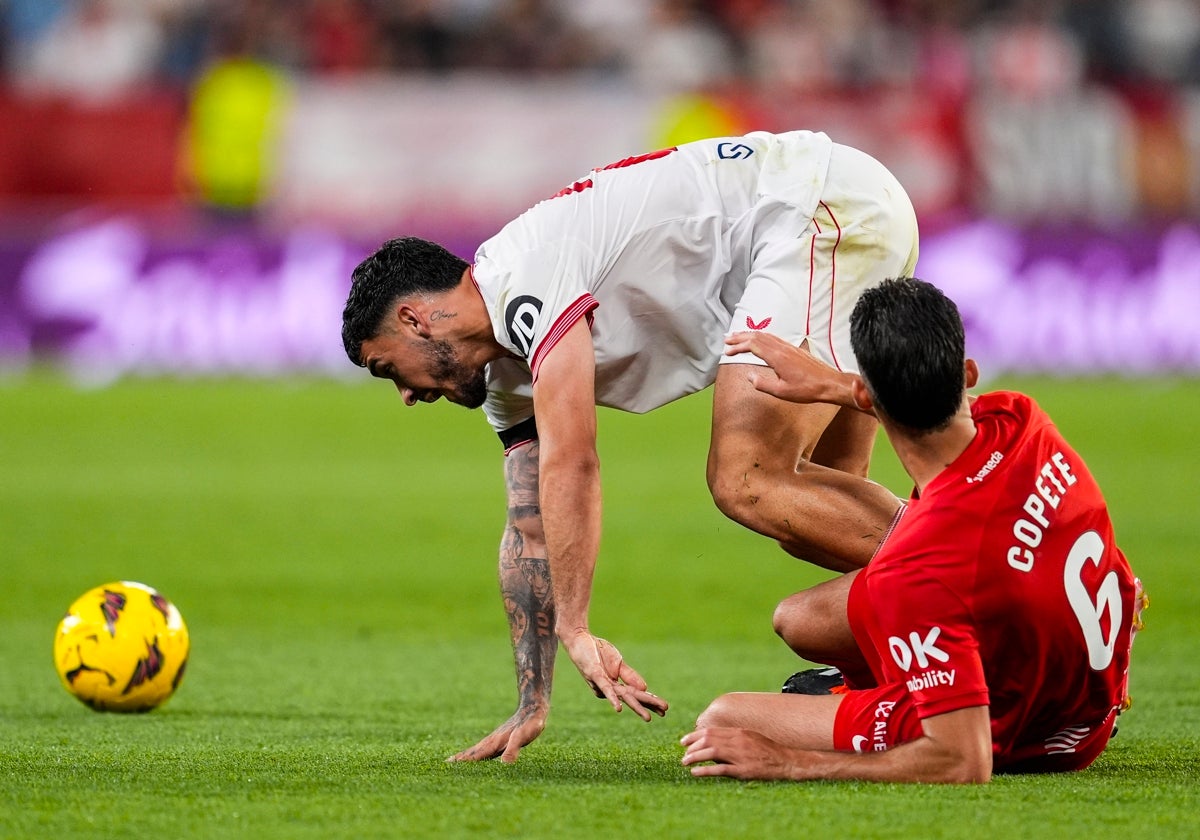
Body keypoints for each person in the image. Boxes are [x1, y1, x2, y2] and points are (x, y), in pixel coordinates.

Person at [340, 129, 920, 762]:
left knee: (748, 479)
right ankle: (923, 665)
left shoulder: (519, 278)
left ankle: (986, 577)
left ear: (412, 321)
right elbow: (530, 529)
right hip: (828, 209)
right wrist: (533, 700)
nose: (403, 393)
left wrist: (577, 624)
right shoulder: (506, 371)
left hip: (813, 210)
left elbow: (574, 461)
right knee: (817, 509)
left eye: (386, 368)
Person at [681, 277, 1145, 782]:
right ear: (967, 373)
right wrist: (829, 384)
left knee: (723, 718)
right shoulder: (1020, 421)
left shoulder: (919, 568)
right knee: (799, 619)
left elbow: (963, 761)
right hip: (1088, 687)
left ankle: (915, 698)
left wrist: (787, 762)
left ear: (864, 393)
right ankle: (915, 683)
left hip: (1042, 735)